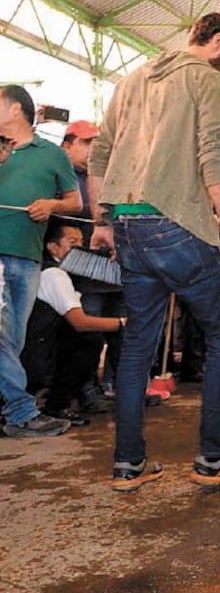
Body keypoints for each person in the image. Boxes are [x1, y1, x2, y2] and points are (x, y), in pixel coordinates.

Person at [88, 12, 220, 491]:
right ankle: (213, 457)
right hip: (175, 226)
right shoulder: (207, 81)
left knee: (136, 349)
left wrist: (102, 221)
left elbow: (100, 155)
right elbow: (214, 161)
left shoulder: (133, 79)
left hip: (128, 225)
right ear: (215, 42)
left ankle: (129, 464)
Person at [0, 84, 82, 438]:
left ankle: (10, 409)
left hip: (29, 255)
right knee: (2, 337)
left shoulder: (51, 154)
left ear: (16, 108)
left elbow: (74, 202)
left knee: (14, 338)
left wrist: (52, 206)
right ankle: (21, 412)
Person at [21, 220, 127, 427]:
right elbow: (81, 323)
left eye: (81, 241)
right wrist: (122, 324)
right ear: (53, 247)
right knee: (89, 340)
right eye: (72, 242)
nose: (80, 248)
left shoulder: (52, 269)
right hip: (38, 354)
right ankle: (57, 404)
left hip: (38, 346)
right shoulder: (54, 274)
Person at [61, 119, 117, 413]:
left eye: (96, 143)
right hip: (75, 267)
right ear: (67, 144)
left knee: (118, 328)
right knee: (87, 331)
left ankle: (113, 385)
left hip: (108, 264)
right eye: (85, 143)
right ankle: (82, 389)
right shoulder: (62, 176)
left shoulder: (103, 177)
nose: (92, 149)